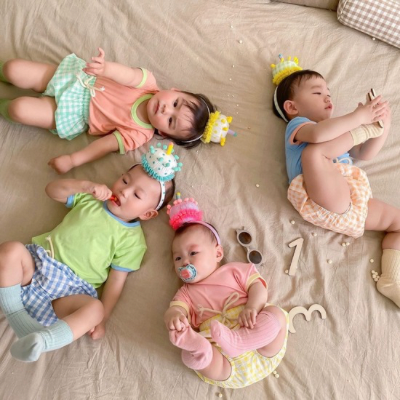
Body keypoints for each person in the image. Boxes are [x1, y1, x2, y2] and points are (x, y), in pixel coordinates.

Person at [0, 143, 179, 362]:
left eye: (137, 195)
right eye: (124, 180)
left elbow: (116, 281)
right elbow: (52, 190)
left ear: (147, 214)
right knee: (10, 250)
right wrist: (85, 186)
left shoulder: (133, 241)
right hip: (35, 268)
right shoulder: (91, 200)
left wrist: (103, 319)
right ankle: (16, 314)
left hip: (67, 294)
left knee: (95, 309)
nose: (124, 191)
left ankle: (43, 341)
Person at [271, 55, 400, 308]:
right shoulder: (299, 125)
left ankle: (392, 279)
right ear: (292, 107)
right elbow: (320, 135)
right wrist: (359, 119)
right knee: (314, 153)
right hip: (319, 195)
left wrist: (382, 125)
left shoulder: (338, 132)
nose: (328, 97)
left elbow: (364, 153)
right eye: (318, 92)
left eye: (328, 93)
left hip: (351, 203)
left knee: (398, 223)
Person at [0, 48, 215, 173]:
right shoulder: (147, 82)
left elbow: (104, 146)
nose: (166, 109)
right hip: (77, 78)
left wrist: (73, 160)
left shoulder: (139, 134)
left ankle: (3, 107)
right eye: (175, 103)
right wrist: (105, 68)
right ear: (175, 90)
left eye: (170, 121)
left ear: (165, 134)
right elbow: (126, 74)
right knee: (13, 68)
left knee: (19, 109)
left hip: (72, 113)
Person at [163, 195, 288, 389]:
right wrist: (174, 317)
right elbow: (176, 309)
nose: (185, 261)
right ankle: (198, 347)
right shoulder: (186, 293)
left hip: (261, 344)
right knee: (190, 356)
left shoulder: (235, 270)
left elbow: (258, 287)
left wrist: (252, 307)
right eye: (177, 258)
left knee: (276, 315)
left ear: (218, 253)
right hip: (225, 363)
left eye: (193, 253)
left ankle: (240, 341)